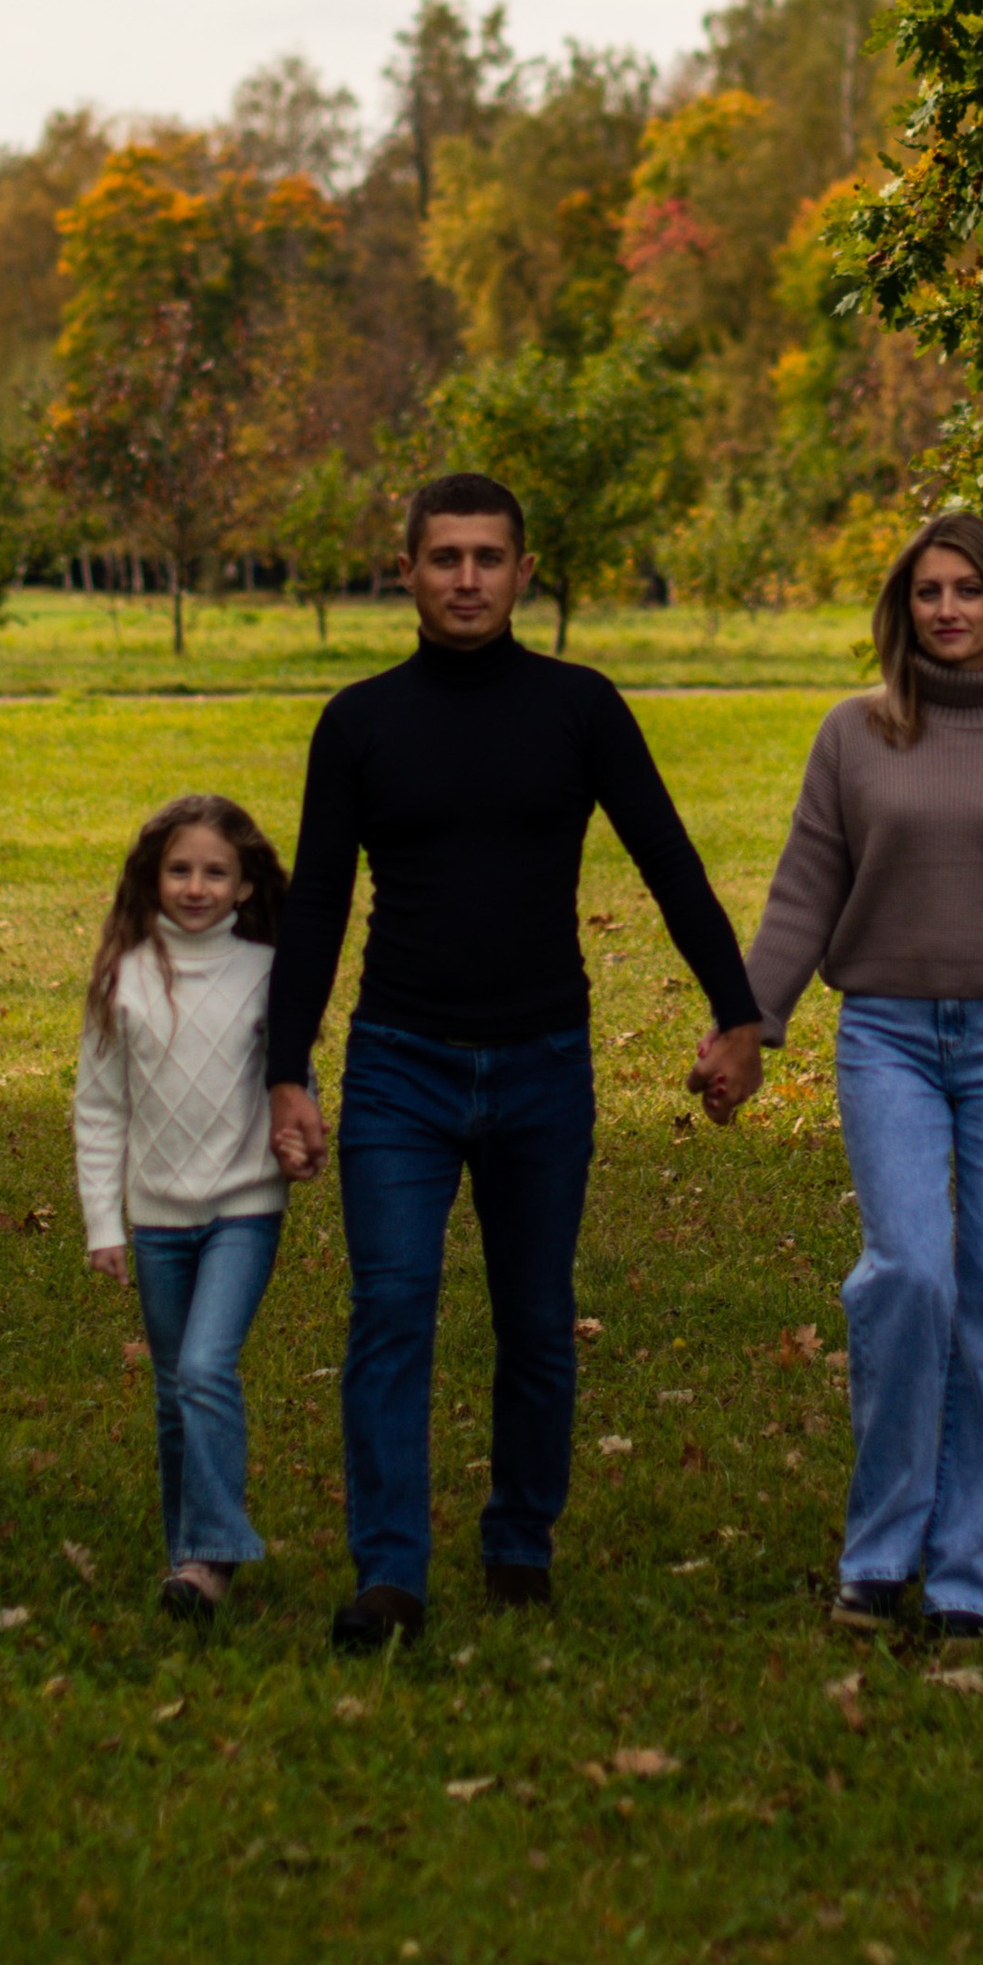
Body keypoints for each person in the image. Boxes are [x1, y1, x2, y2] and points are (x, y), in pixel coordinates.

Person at [265, 470, 764, 1654]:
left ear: (524, 572)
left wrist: (737, 1014)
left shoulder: (579, 708)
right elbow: (319, 905)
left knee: (535, 1317)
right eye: (445, 558)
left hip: (543, 1060)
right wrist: (287, 1066)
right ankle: (388, 1572)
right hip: (400, 1063)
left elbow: (668, 860)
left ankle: (519, 1544)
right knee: (391, 1309)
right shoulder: (359, 722)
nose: (468, 579)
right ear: (407, 572)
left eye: (489, 557)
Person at [698, 509, 983, 1642]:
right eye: (928, 591)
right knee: (909, 1275)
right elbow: (804, 888)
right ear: (904, 608)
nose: (948, 609)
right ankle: (882, 1546)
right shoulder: (855, 734)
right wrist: (748, 1021)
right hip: (885, 1032)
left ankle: (972, 1581)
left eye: (967, 590)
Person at [74, 792, 291, 1623]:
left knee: (205, 1368)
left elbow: (290, 1075)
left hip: (244, 1205)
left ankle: (214, 1554)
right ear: (152, 877)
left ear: (243, 885)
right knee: (173, 1393)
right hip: (158, 1216)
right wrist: (103, 1220)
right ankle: (187, 1559)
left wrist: (296, 1134)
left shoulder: (269, 970)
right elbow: (100, 1106)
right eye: (179, 869)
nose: (196, 886)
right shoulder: (123, 979)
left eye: (214, 871)